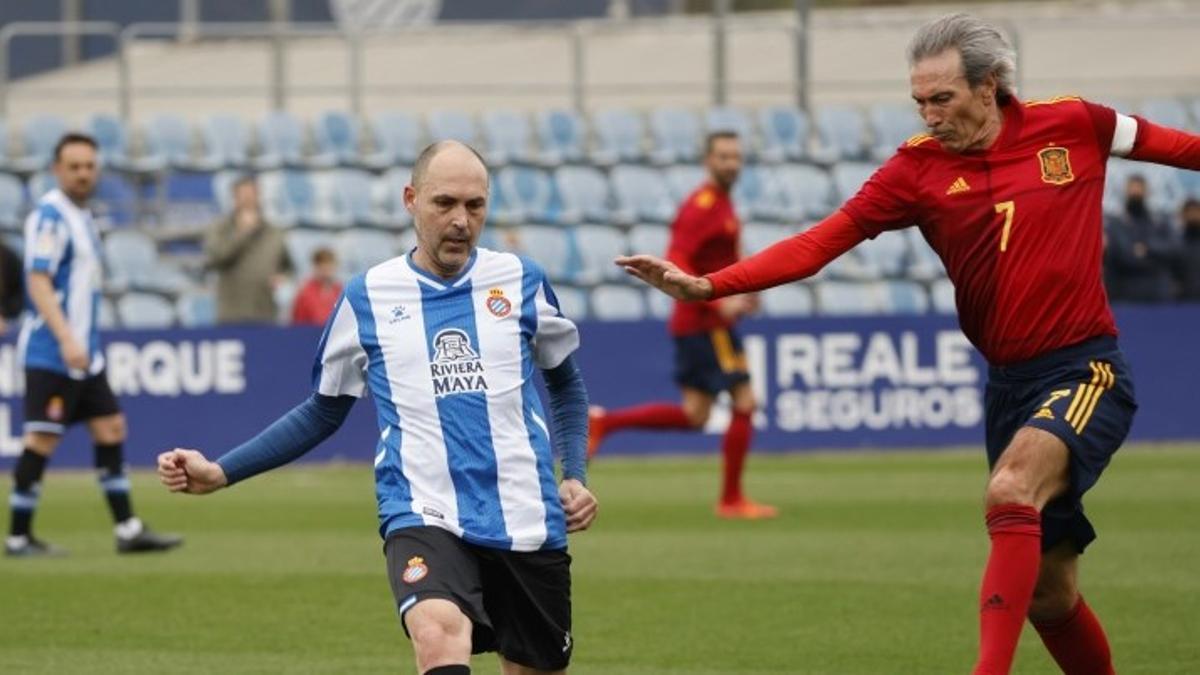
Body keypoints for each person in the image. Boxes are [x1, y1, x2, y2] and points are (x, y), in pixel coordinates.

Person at [616, 13, 1200, 675]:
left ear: (989, 88)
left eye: (942, 98)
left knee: (1010, 489)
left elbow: (1184, 149)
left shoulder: (1075, 124)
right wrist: (710, 284)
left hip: (1085, 365)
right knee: (1048, 592)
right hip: (1008, 384)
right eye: (918, 101)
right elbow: (821, 241)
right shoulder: (914, 171)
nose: (928, 115)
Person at [157, 141, 598, 675]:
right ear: (411, 200)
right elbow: (321, 411)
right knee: (437, 631)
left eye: (475, 206)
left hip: (526, 513)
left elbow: (567, 387)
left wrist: (573, 474)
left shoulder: (522, 281)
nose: (461, 220)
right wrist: (223, 470)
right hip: (421, 508)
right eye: (445, 203)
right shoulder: (367, 297)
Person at [7, 133, 182, 557]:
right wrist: (66, 337)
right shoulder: (50, 216)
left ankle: (127, 529)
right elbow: (38, 280)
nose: (83, 173)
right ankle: (18, 537)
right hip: (54, 352)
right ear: (56, 169)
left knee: (111, 427)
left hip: (87, 353)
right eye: (74, 166)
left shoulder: (83, 217)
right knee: (41, 440)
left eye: (89, 166)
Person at [588, 131, 775, 520]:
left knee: (696, 415)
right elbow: (677, 257)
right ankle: (731, 499)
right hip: (705, 322)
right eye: (723, 156)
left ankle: (606, 421)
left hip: (695, 323)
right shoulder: (702, 206)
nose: (731, 163)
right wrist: (720, 298)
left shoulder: (721, 204)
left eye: (736, 156)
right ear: (708, 161)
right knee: (745, 402)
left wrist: (743, 290)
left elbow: (719, 259)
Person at [204, 175, 292, 324]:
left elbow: (288, 266)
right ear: (234, 198)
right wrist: (243, 233)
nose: (248, 200)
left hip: (265, 312)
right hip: (231, 314)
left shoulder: (273, 232)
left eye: (251, 195)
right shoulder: (220, 228)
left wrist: (282, 277)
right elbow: (216, 259)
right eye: (243, 195)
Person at [1103, 174, 1178, 302]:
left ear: (1147, 191)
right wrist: (1149, 256)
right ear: (1126, 191)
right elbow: (1121, 254)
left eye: (1139, 189)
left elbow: (1173, 249)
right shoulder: (1116, 222)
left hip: (1157, 292)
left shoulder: (1159, 221)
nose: (1136, 192)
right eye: (1132, 189)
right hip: (1125, 293)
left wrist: (1148, 249)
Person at [291, 247, 343, 326]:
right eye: (322, 267)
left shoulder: (341, 291)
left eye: (329, 266)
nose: (326, 271)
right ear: (315, 267)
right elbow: (297, 322)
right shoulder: (305, 293)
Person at [1175, 198, 1200, 300]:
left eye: (1196, 212)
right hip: (1183, 299)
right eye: (1189, 212)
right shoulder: (1175, 243)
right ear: (1183, 216)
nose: (1193, 216)